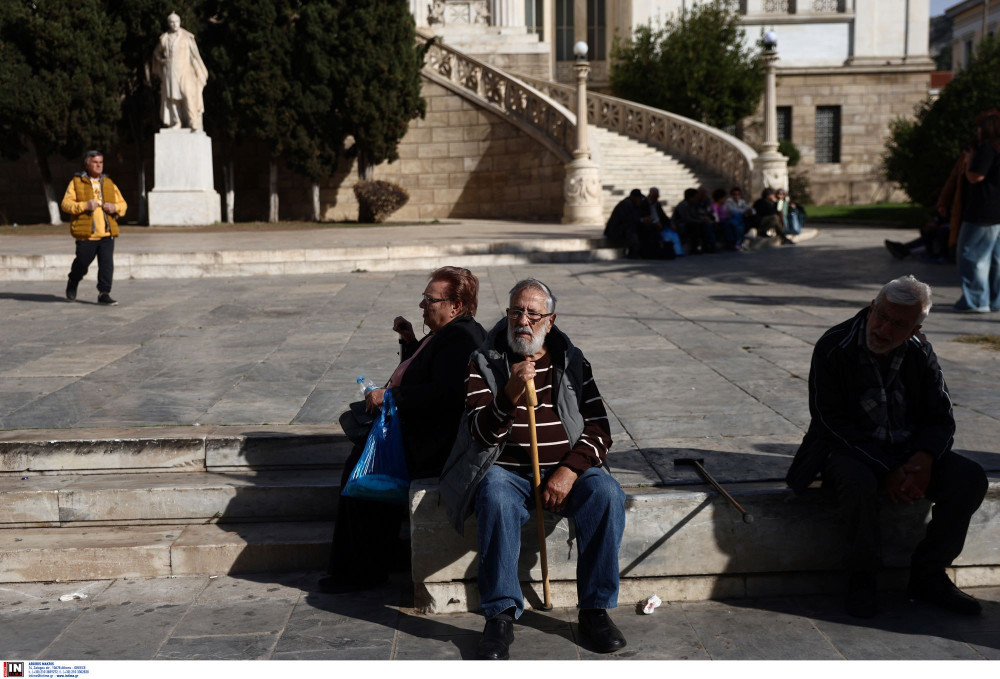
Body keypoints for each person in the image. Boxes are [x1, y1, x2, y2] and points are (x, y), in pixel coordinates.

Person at [439, 279, 627, 659]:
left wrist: (570, 470)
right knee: (495, 496)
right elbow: (479, 432)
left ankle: (594, 610)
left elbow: (599, 428)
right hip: (505, 470)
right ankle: (501, 615)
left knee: (607, 494)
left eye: (532, 313)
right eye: (515, 311)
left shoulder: (572, 361)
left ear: (550, 320)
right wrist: (508, 393)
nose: (522, 320)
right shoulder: (485, 361)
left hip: (564, 470)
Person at [786, 275, 988, 619]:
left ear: (914, 329)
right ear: (871, 308)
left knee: (969, 479)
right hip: (849, 450)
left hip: (907, 449)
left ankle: (928, 575)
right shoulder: (834, 346)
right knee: (857, 481)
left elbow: (941, 416)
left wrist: (923, 460)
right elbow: (829, 421)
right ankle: (862, 579)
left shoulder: (920, 351)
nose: (884, 329)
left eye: (898, 324)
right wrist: (888, 469)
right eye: (881, 316)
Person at [318, 267, 487, 593]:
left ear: (455, 305)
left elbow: (447, 393)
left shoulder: (461, 338)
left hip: (434, 445)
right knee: (360, 465)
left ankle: (362, 570)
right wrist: (410, 341)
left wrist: (391, 396)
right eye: (423, 298)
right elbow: (425, 371)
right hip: (419, 433)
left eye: (430, 299)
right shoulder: (447, 332)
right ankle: (377, 556)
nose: (423, 305)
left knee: (363, 474)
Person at [61, 151, 127, 306]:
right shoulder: (77, 182)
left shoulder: (109, 183)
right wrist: (85, 205)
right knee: (82, 263)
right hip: (87, 234)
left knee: (106, 265)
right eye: (95, 162)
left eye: (101, 162)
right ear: (87, 164)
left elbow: (123, 205)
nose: (99, 165)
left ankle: (104, 293)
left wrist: (115, 207)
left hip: (107, 233)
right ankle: (73, 279)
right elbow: (65, 204)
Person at [954, 110, 1000, 313]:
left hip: (983, 210)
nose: (978, 131)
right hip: (997, 211)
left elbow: (975, 177)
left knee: (972, 256)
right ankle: (996, 300)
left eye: (980, 127)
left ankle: (976, 301)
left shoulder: (986, 149)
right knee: (996, 259)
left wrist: (969, 159)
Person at [153, 13, 209, 130]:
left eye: (177, 21)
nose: (175, 24)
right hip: (170, 72)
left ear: (180, 22)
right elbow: (156, 53)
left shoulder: (187, 37)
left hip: (185, 72)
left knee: (188, 95)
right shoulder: (164, 38)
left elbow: (195, 55)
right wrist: (162, 60)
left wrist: (201, 69)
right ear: (169, 24)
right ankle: (176, 122)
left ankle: (192, 121)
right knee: (172, 97)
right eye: (172, 22)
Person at [645, 187, 684, 257]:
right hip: (650, 224)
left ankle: (677, 251)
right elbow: (645, 216)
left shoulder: (657, 204)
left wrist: (670, 223)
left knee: (674, 231)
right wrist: (654, 222)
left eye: (656, 197)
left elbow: (663, 216)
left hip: (660, 224)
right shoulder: (645, 203)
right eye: (654, 196)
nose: (655, 198)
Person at [604, 189, 644, 258]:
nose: (640, 200)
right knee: (631, 228)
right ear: (634, 198)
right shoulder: (626, 204)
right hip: (615, 231)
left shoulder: (631, 204)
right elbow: (628, 220)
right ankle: (633, 252)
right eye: (639, 198)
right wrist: (641, 220)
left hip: (620, 229)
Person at [673, 188, 714, 254]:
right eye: (695, 197)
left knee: (705, 225)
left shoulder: (693, 204)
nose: (697, 198)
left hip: (691, 222)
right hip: (682, 224)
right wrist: (698, 221)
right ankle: (694, 248)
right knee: (695, 226)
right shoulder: (683, 205)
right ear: (691, 198)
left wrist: (702, 219)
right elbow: (686, 219)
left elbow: (695, 215)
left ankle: (707, 246)